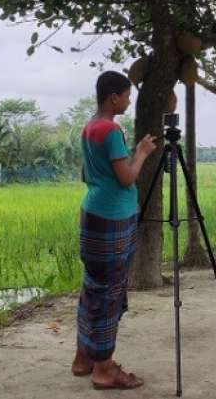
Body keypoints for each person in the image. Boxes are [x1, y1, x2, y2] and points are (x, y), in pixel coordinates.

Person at [71, 71, 156, 390]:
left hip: (92, 213)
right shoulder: (110, 130)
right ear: (113, 97)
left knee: (93, 288)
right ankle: (104, 369)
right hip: (113, 219)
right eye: (127, 96)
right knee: (109, 294)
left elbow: (86, 174)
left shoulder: (88, 127)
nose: (129, 101)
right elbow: (127, 177)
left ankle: (83, 358)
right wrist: (142, 152)